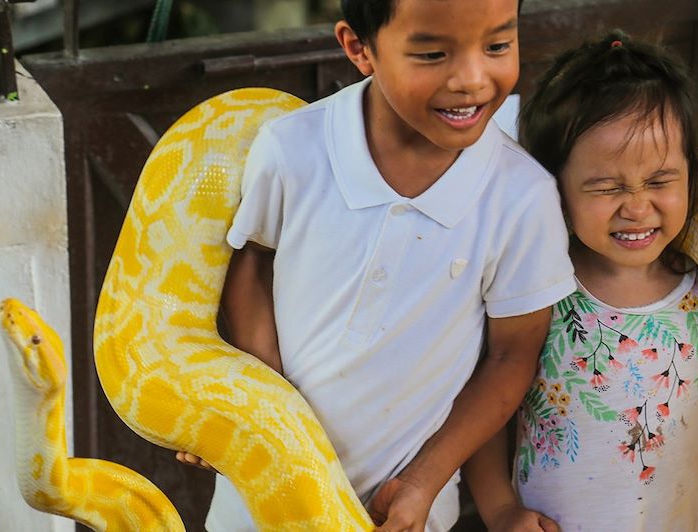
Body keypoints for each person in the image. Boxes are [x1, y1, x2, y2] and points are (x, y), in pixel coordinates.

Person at [180, 0, 576, 530]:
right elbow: (250, 259)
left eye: (498, 46)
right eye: (433, 53)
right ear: (358, 48)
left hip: (403, 511)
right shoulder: (293, 147)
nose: (473, 79)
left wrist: (422, 482)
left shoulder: (522, 199)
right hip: (255, 498)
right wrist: (254, 399)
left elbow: (511, 358)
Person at [463, 31, 698, 531]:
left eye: (659, 181)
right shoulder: (539, 288)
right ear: (554, 188)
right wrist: (499, 509)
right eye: (606, 187)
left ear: (693, 177)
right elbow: (485, 410)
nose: (636, 206)